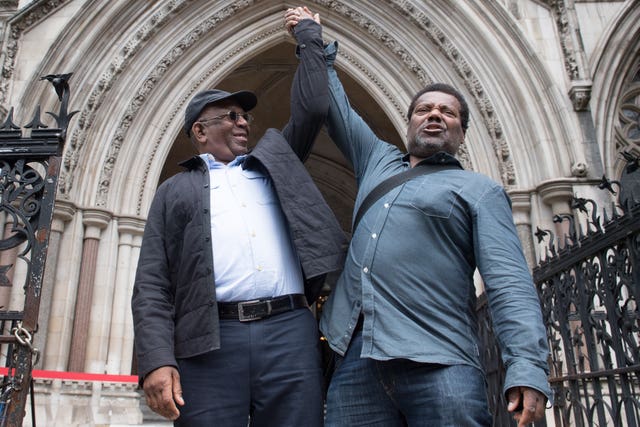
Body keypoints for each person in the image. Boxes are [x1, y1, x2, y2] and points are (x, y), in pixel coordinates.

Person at [285, 13, 552, 427]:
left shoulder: (479, 190)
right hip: (358, 364)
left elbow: (509, 284)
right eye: (424, 109)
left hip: (441, 363)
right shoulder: (377, 160)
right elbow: (335, 106)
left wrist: (527, 366)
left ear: (461, 134)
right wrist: (312, 40)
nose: (434, 115)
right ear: (408, 122)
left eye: (447, 112)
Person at [132, 8, 346, 426]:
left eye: (244, 115)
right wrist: (156, 360)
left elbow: (312, 108)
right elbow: (152, 284)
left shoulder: (275, 163)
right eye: (231, 116)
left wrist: (308, 38)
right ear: (199, 131)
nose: (243, 122)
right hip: (210, 341)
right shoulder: (174, 192)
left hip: (288, 331)